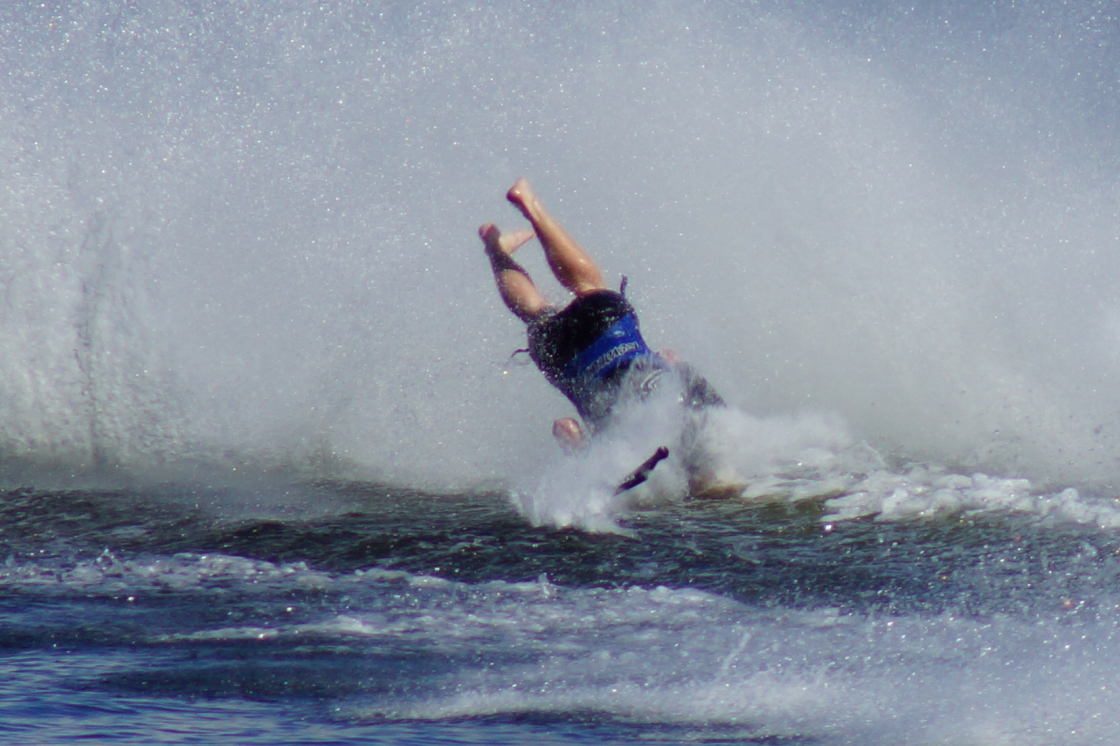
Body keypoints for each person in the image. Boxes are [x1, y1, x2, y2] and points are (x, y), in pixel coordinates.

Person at [479, 178, 724, 453]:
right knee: (536, 311)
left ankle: (530, 210)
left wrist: (677, 366)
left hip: (609, 333)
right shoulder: (616, 453)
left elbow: (676, 361)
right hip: (568, 361)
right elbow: (566, 429)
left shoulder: (703, 419)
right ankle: (494, 248)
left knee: (587, 285)